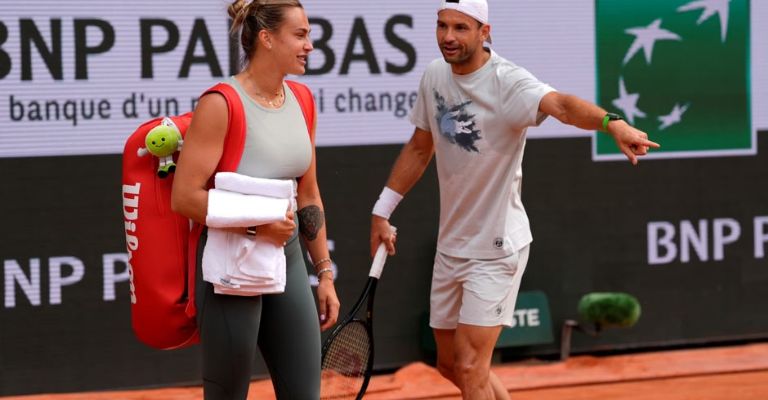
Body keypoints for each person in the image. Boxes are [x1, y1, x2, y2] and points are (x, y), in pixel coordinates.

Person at [369, 1, 660, 399]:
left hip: (497, 246)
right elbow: (421, 147)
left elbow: (561, 106)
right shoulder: (435, 75)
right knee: (451, 364)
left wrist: (611, 123)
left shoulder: (509, 82)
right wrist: (382, 211)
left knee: (472, 366)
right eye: (442, 26)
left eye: (460, 28)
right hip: (452, 244)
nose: (448, 37)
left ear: (484, 31)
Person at [171, 1, 340, 399]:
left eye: (309, 35)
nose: (310, 46)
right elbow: (185, 197)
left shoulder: (302, 100)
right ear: (266, 38)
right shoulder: (220, 103)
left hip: (289, 257)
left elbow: (309, 194)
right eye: (300, 35)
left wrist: (326, 273)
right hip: (232, 268)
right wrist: (257, 226)